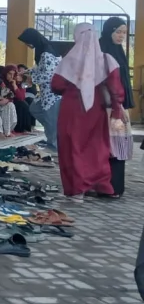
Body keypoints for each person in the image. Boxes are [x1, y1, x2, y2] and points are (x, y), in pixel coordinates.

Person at [51, 23, 124, 201]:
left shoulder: (69, 60)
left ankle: (77, 190)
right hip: (96, 111)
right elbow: (116, 90)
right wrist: (116, 110)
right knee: (98, 148)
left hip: (72, 111)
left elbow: (56, 85)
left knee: (72, 146)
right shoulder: (107, 60)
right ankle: (101, 185)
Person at [100, 16, 134, 197]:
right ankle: (106, 186)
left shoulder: (118, 51)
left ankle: (115, 187)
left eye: (124, 33)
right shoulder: (101, 50)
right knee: (109, 146)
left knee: (118, 146)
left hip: (117, 106)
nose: (121, 36)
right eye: (118, 31)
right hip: (106, 108)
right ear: (109, 31)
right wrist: (116, 105)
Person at [17, 28, 61, 150]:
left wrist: (31, 79)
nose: (27, 45)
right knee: (35, 109)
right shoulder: (43, 50)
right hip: (45, 92)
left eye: (27, 42)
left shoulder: (46, 53)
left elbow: (49, 74)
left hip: (52, 93)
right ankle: (51, 137)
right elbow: (40, 69)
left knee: (50, 118)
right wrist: (27, 71)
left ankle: (54, 145)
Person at [4, 65, 35, 133]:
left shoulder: (18, 83)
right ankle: (20, 128)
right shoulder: (2, 82)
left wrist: (15, 86)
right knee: (22, 104)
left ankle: (29, 127)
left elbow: (21, 97)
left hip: (15, 101)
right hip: (8, 102)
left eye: (13, 74)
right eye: (10, 74)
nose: (12, 76)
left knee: (27, 101)